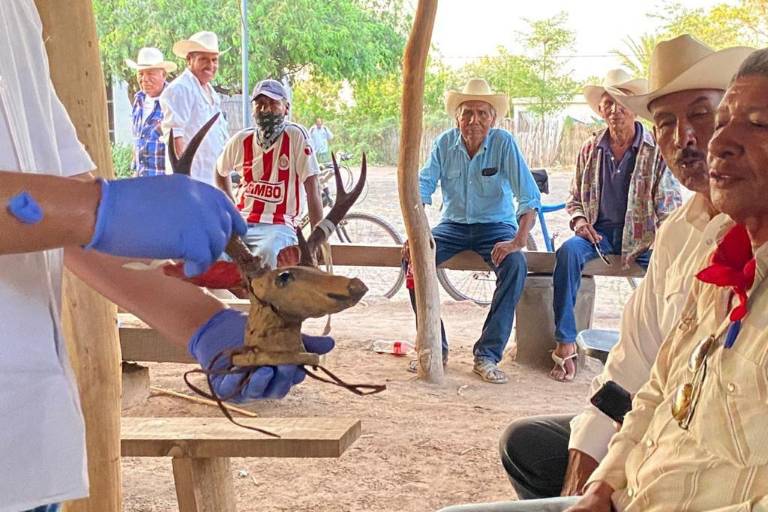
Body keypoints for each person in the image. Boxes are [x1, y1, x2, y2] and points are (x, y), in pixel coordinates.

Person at [0, 5, 332, 511]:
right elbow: (79, 215)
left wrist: (205, 324)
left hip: (27, 448)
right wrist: (100, 209)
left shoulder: (17, 15)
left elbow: (64, 226)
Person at [437, 39, 758, 512]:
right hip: (658, 440)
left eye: (703, 115)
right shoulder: (679, 232)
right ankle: (565, 340)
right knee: (568, 259)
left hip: (637, 244)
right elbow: (638, 369)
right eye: (666, 121)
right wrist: (592, 475)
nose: (684, 137)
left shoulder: (735, 239)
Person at [550, 69, 683, 382]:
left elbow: (669, 208)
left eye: (622, 102)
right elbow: (574, 200)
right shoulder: (589, 149)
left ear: (634, 108)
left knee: (670, 273)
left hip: (643, 239)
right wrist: (580, 221)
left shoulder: (655, 149)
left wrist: (659, 240)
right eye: (607, 102)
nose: (614, 109)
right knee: (567, 253)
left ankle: (662, 350)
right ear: (600, 110)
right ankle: (565, 342)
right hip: (600, 236)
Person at [405, 78, 541, 384]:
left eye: (482, 113)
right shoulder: (443, 144)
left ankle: (488, 355)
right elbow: (422, 187)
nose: (474, 120)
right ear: (457, 117)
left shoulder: (503, 143)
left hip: (496, 225)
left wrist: (518, 240)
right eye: (467, 113)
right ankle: (433, 347)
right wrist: (417, 234)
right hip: (452, 226)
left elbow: (529, 195)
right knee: (412, 261)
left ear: (492, 118)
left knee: (516, 265)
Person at [215, 79, 324, 268]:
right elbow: (220, 170)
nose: (266, 110)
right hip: (243, 223)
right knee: (213, 255)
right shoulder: (241, 140)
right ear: (253, 109)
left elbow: (312, 188)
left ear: (286, 108)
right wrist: (231, 205)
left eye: (273, 104)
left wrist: (317, 239)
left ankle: (258, 297)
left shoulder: (296, 136)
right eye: (260, 104)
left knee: (268, 255)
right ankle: (234, 297)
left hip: (280, 226)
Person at [160, 31, 229, 185]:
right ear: (189, 60)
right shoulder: (180, 89)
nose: (211, 65)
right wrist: (184, 182)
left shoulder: (210, 92)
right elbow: (175, 137)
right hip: (192, 181)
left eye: (214, 60)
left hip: (211, 178)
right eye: (204, 59)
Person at [126, 47, 177, 177]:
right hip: (141, 181)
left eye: (150, 73)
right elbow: (138, 138)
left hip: (164, 183)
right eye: (141, 74)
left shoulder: (173, 101)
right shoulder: (139, 99)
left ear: (163, 74)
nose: (144, 79)